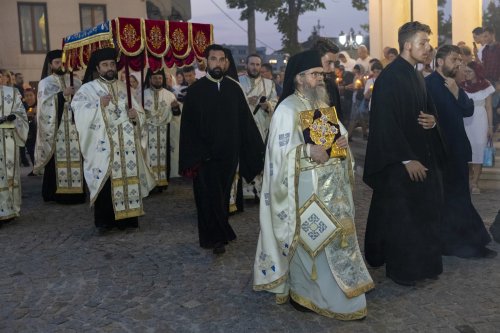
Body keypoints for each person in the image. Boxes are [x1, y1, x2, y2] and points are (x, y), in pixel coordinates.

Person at [253, 49, 373, 319]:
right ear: (299, 78)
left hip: (333, 194)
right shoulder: (286, 110)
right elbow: (276, 159)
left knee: (335, 243)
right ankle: (305, 293)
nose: (322, 78)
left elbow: (337, 142)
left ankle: (341, 293)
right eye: (316, 74)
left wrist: (343, 145)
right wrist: (307, 151)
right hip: (304, 195)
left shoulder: (321, 106)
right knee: (311, 245)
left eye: (321, 73)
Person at [364, 21, 445, 286]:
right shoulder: (390, 76)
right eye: (422, 42)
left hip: (421, 158)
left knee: (422, 215)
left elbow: (428, 112)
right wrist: (407, 159)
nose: (428, 47)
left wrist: (433, 122)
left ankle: (424, 266)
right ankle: (404, 272)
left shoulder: (416, 74)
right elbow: (384, 123)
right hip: (401, 165)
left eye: (428, 43)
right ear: (407, 45)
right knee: (403, 221)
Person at [179, 44, 265, 254]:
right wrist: (196, 156)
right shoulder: (196, 91)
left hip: (228, 156)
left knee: (223, 195)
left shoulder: (234, 88)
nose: (218, 63)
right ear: (206, 62)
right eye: (213, 59)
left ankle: (222, 229)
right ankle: (214, 238)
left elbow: (245, 123)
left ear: (226, 62)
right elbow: (188, 127)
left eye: (221, 59)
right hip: (204, 157)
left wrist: (257, 152)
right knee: (207, 198)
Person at [71, 47, 156, 231]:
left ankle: (129, 220)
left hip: (127, 147)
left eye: (112, 64)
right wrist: (97, 105)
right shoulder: (88, 89)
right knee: (107, 182)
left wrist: (135, 116)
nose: (110, 67)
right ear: (98, 68)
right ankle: (105, 222)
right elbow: (77, 110)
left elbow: (139, 113)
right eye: (105, 65)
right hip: (105, 147)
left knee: (128, 177)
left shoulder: (123, 87)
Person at [426, 45, 496, 259]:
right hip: (440, 150)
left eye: (459, 59)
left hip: (457, 148)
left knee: (459, 196)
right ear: (439, 61)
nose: (458, 63)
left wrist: (457, 91)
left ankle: (464, 240)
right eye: (453, 59)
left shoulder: (455, 84)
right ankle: (461, 243)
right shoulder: (427, 84)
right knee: (453, 198)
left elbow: (467, 110)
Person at [35, 50, 86, 204]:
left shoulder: (76, 82)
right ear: (50, 65)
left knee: (77, 158)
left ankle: (77, 193)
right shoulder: (45, 83)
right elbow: (43, 107)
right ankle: (55, 193)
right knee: (56, 161)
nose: (60, 65)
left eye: (63, 62)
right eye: (57, 62)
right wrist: (61, 95)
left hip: (73, 128)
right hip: (56, 130)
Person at [238, 53, 278, 200]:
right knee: (245, 155)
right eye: (252, 64)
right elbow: (231, 102)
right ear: (246, 65)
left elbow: (274, 102)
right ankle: (246, 189)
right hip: (244, 126)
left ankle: (260, 189)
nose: (255, 67)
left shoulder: (269, 84)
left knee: (260, 155)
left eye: (257, 65)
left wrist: (267, 105)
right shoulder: (237, 82)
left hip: (262, 126)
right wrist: (247, 100)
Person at [142, 68, 180, 191]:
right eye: (155, 78)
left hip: (164, 131)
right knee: (148, 156)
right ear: (149, 79)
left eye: (160, 78)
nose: (158, 80)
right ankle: (151, 183)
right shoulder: (143, 94)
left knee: (164, 156)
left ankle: (162, 182)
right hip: (148, 132)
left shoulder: (170, 95)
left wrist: (175, 108)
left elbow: (176, 115)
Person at [461, 62, 495, 194]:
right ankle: (469, 179)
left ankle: (475, 182)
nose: (467, 74)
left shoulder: (486, 85)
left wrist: (490, 127)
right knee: (467, 150)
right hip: (465, 121)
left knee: (478, 150)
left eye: (469, 71)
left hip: (480, 120)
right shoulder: (462, 85)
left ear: (477, 72)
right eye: (466, 71)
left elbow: (489, 107)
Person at [0, 83, 29, 222]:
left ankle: (10, 208)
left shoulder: (11, 92)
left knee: (9, 173)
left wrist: (13, 116)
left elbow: (21, 113)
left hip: (8, 138)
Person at [311, 38, 344, 122]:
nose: (333, 68)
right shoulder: (305, 88)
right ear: (316, 59)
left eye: (335, 63)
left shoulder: (331, 85)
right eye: (329, 63)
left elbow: (338, 118)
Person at [24, 88, 38, 175]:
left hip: (38, 132)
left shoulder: (39, 105)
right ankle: (35, 168)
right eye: (26, 96)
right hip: (28, 133)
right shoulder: (23, 107)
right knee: (30, 150)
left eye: (31, 95)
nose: (29, 97)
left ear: (35, 96)